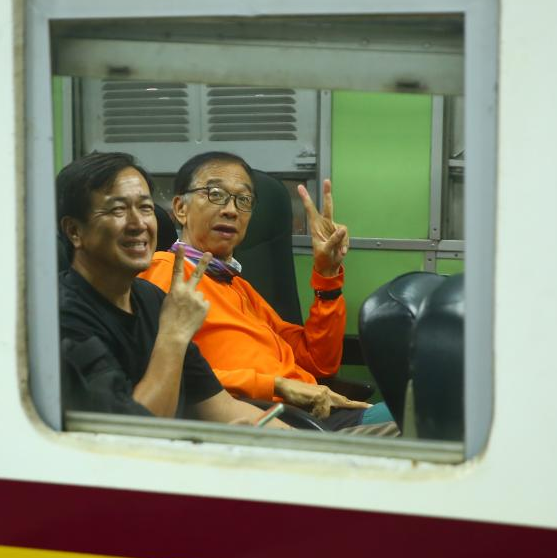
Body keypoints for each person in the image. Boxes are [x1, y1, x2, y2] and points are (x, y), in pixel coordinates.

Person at [140, 152, 395, 433]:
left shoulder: (237, 286)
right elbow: (162, 375)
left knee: (422, 405)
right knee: (424, 419)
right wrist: (276, 385)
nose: (231, 210)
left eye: (243, 200)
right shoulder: (163, 271)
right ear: (180, 208)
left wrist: (327, 276)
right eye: (215, 194)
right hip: (274, 423)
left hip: (319, 414)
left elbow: (319, 364)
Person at [56, 151, 290, 428]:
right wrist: (174, 335)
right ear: (74, 231)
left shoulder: (151, 298)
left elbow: (220, 406)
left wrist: (318, 446)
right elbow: (133, 432)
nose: (139, 224)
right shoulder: (64, 317)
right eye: (118, 210)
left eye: (145, 208)